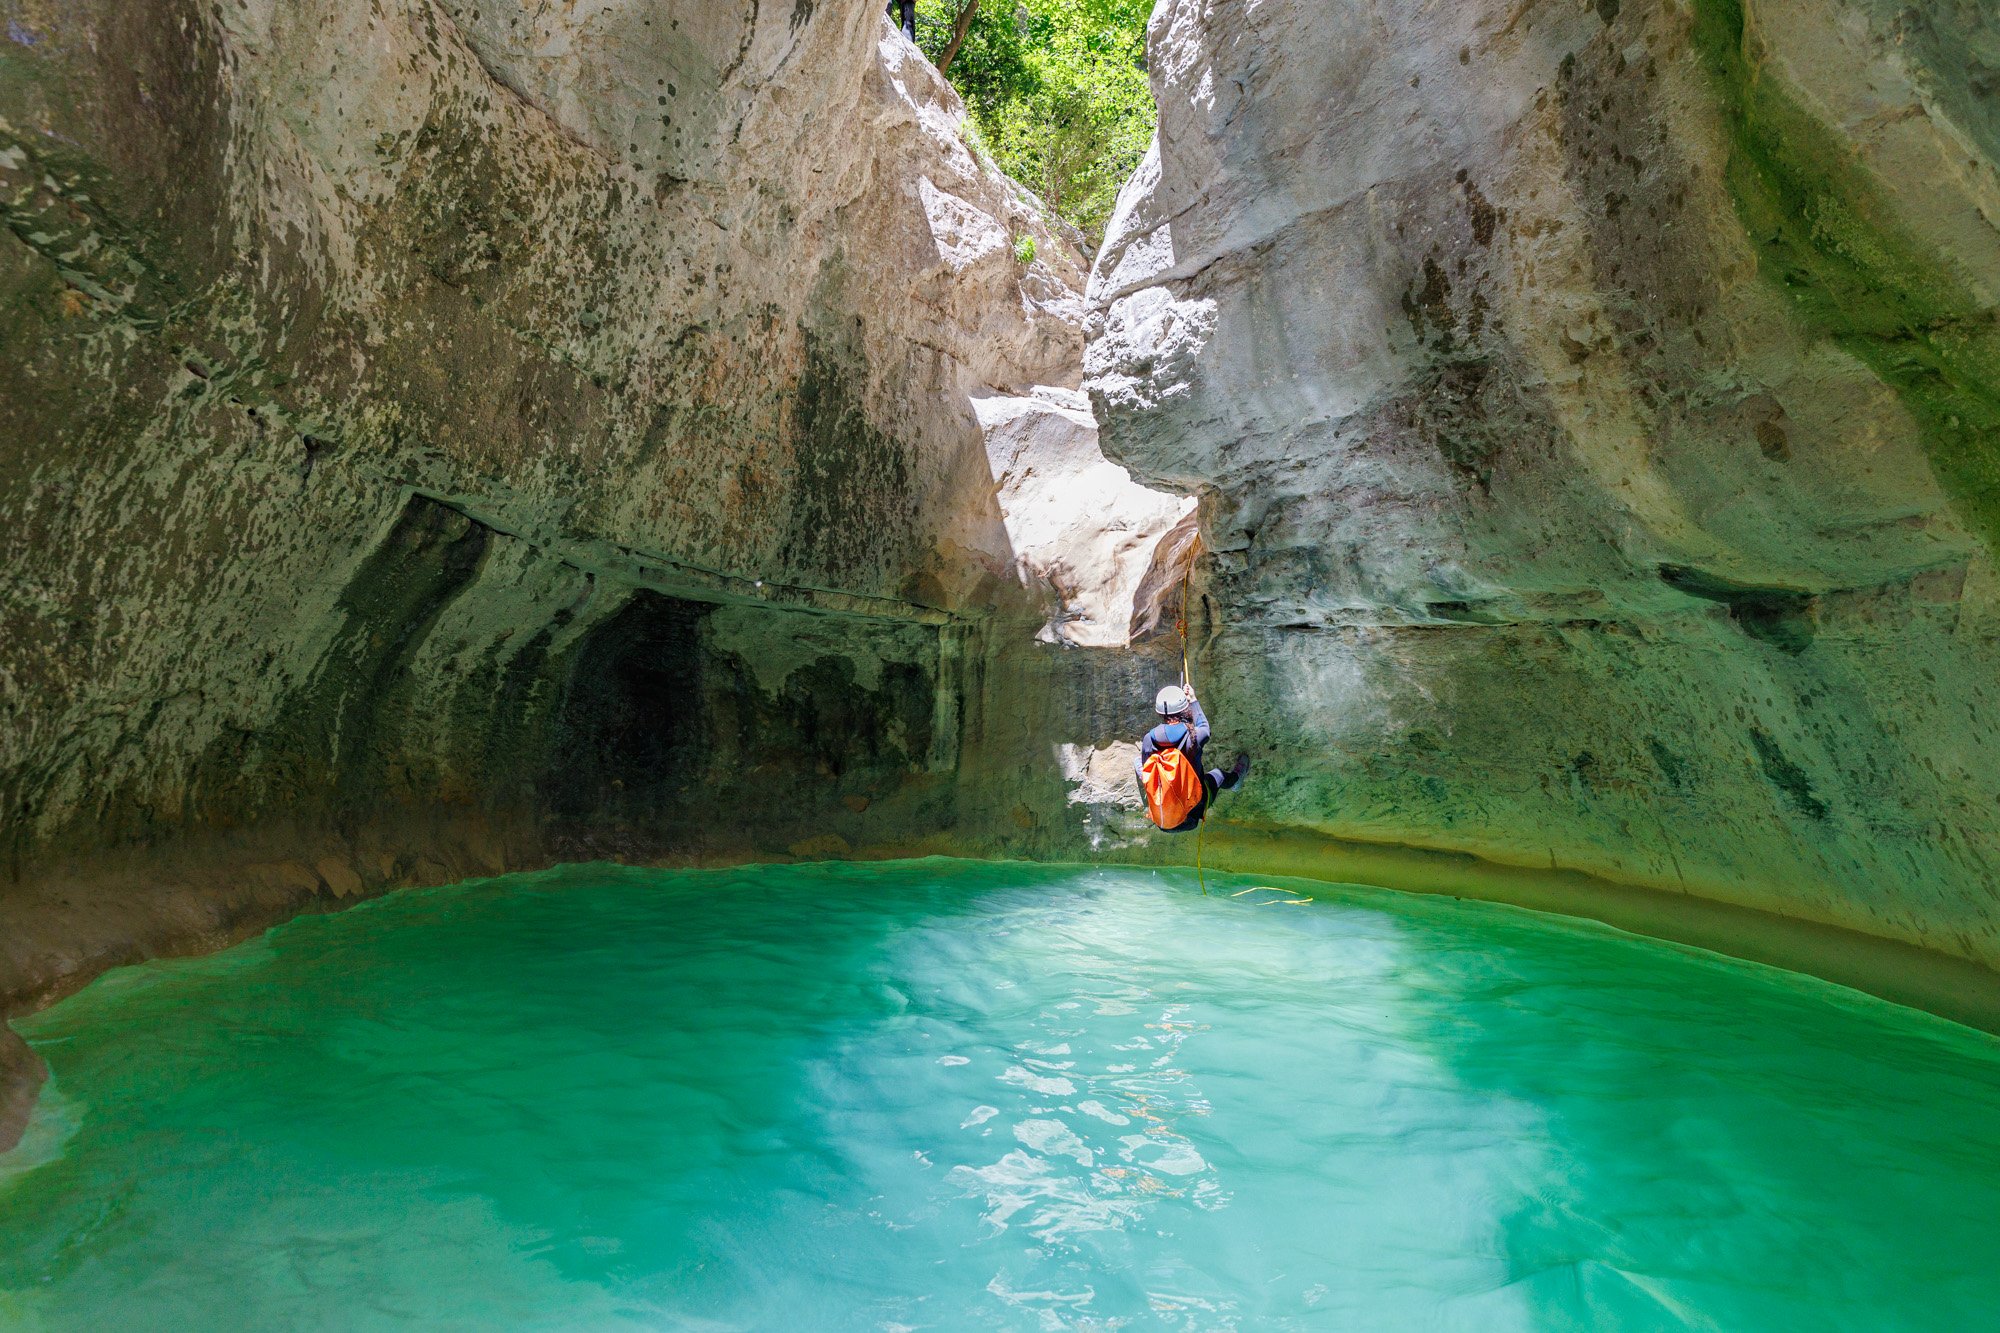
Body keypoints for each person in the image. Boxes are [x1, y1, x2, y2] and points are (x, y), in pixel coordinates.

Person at [1136, 683, 1249, 833]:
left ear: (1160, 713)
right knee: (1217, 775)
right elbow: (1205, 728)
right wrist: (1193, 700)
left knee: (1140, 764)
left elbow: (1147, 767)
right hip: (1192, 814)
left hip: (1164, 819)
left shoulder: (1148, 739)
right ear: (1183, 709)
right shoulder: (1193, 735)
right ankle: (1235, 781)